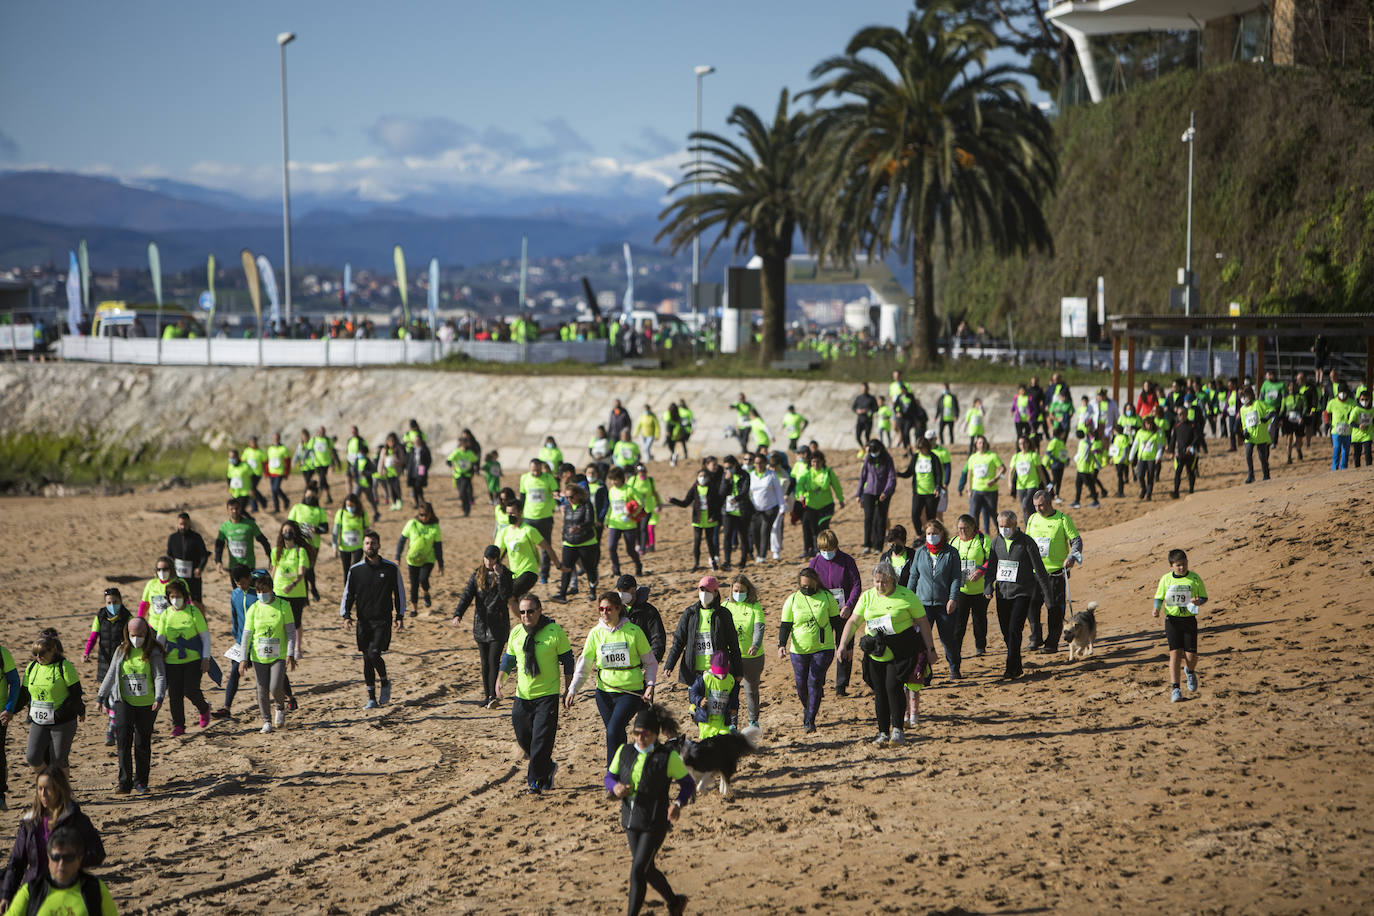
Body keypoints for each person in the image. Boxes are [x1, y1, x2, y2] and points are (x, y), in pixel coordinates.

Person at [604, 705, 693, 916]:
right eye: (636, 733)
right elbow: (610, 777)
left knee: (637, 870)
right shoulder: (624, 751)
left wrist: (678, 804)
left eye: (645, 734)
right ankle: (675, 902)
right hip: (630, 819)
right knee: (646, 869)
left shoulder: (667, 757)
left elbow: (687, 784)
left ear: (654, 734)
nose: (640, 738)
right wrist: (615, 788)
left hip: (655, 822)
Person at [838, 559, 936, 745]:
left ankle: (898, 729)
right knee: (880, 691)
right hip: (876, 651)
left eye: (884, 582)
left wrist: (930, 649)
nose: (880, 585)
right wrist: (843, 644)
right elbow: (853, 622)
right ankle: (883, 732)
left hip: (901, 651)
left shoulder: (906, 596)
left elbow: (923, 621)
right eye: (876, 581)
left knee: (893, 687)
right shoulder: (867, 597)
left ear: (893, 581)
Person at [567, 592, 657, 765]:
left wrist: (650, 685)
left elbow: (650, 662)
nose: (604, 613)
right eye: (601, 609)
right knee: (615, 733)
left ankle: (611, 775)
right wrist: (573, 689)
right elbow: (584, 664)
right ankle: (624, 767)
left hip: (630, 692)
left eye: (608, 609)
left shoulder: (634, 632)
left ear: (618, 609)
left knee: (613, 731)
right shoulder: (595, 633)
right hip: (604, 693)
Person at [497, 595, 574, 793]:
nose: (526, 615)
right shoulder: (516, 633)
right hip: (522, 696)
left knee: (540, 741)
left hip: (547, 696)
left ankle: (535, 781)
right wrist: (500, 681)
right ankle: (547, 767)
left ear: (539, 610)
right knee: (524, 739)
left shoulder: (554, 631)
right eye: (522, 612)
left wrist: (568, 689)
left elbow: (567, 660)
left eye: (530, 611)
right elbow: (508, 659)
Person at [0, 770, 105, 913]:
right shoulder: (30, 823)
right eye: (40, 789)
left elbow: (97, 852)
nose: (43, 794)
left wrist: (70, 862)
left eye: (48, 789)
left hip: (68, 891)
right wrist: (6, 895)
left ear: (60, 789)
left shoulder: (75, 819)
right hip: (35, 891)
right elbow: (17, 862)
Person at [95, 617, 165, 794]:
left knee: (142, 743)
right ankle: (124, 782)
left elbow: (159, 676)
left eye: (140, 634)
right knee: (123, 742)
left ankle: (141, 782)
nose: (136, 638)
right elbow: (111, 674)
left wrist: (159, 696)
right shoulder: (121, 650)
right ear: (128, 634)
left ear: (146, 633)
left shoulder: (153, 651)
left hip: (147, 704)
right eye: (133, 635)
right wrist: (101, 696)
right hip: (123, 701)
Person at [983, 511, 1055, 679]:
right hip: (1002, 593)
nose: (1004, 529)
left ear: (1015, 525)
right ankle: (1017, 664)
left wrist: (1048, 597)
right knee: (1005, 632)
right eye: (1001, 526)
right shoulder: (996, 542)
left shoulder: (1027, 542)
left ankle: (1010, 668)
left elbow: (1040, 570)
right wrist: (988, 587)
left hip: (1022, 592)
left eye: (1007, 526)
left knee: (1015, 629)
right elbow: (992, 567)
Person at [342, 530, 406, 709]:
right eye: (367, 543)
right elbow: (349, 594)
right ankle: (371, 697)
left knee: (374, 653)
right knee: (366, 659)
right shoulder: (355, 570)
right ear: (363, 546)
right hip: (363, 621)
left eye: (373, 543)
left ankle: (385, 681)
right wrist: (346, 615)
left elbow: (399, 593)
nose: (370, 546)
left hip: (383, 620)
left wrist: (400, 615)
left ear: (379, 545)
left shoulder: (391, 568)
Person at [777, 567, 840, 733]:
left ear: (816, 582)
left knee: (814, 681)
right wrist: (781, 645)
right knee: (801, 685)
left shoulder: (827, 597)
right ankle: (808, 706)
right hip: (798, 650)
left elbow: (837, 623)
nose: (805, 588)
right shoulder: (792, 600)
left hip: (823, 648)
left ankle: (810, 719)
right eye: (802, 585)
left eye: (808, 585)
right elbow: (785, 625)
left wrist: (841, 645)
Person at [4, 823, 117, 916]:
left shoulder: (95, 890)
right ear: (48, 857)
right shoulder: (31, 891)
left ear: (79, 858)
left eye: (68, 858)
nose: (61, 863)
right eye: (56, 857)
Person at [239, 571, 299, 733]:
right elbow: (247, 634)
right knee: (261, 688)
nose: (261, 594)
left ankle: (280, 707)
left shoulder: (283, 606)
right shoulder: (254, 609)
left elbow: (291, 632)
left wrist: (290, 654)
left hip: (278, 656)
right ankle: (266, 721)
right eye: (258, 592)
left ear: (271, 589)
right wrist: (243, 658)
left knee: (275, 687)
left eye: (264, 591)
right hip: (259, 656)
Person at [904, 520, 963, 686]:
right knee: (922, 640)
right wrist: (909, 598)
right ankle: (925, 673)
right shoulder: (920, 552)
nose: (932, 537)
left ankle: (954, 667)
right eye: (929, 534)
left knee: (948, 639)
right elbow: (914, 576)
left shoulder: (951, 553)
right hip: (922, 604)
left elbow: (956, 578)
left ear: (942, 533)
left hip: (944, 603)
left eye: (935, 533)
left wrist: (953, 598)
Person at [1024, 489, 1083, 653]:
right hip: (1035, 572)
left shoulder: (1063, 520)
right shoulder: (1032, 519)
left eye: (1041, 505)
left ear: (1049, 503)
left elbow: (1077, 542)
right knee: (1031, 606)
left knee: (1054, 608)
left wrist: (1071, 556)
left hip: (1055, 573)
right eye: (1035, 505)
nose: (1038, 509)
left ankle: (1052, 643)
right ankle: (1035, 638)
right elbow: (1026, 542)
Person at [453, 546, 513, 708]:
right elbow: (467, 595)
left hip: (498, 625)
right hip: (481, 624)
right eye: (486, 558)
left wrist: (500, 577)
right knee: (484, 662)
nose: (488, 561)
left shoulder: (505, 574)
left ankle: (493, 696)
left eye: (492, 559)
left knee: (493, 660)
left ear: (497, 559)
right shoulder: (477, 574)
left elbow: (506, 595)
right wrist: (458, 613)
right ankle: (487, 696)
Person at [151, 578, 211, 737]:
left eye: (177, 596)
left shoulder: (193, 612)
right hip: (171, 660)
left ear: (184, 596)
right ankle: (178, 725)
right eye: (171, 596)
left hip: (193, 659)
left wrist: (206, 658)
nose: (174, 599)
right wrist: (156, 656)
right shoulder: (166, 615)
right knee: (175, 694)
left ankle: (204, 708)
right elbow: (161, 638)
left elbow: (205, 636)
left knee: (190, 689)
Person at [662, 576, 743, 690]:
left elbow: (733, 644)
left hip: (718, 673)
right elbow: (679, 641)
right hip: (694, 673)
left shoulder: (724, 614)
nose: (704, 593)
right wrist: (669, 665)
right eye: (702, 590)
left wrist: (739, 671)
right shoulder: (690, 614)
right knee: (697, 705)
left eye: (708, 590)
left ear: (715, 592)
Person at [18, 634, 83, 774]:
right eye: (35, 653)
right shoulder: (31, 667)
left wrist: (78, 711)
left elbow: (76, 694)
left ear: (52, 650)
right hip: (38, 721)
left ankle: (63, 794)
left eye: (42, 653)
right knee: (33, 757)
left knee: (59, 760)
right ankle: (49, 782)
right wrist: (10, 711)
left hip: (62, 721)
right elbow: (24, 694)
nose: (38, 657)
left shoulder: (65, 667)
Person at [808, 530, 862, 697]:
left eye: (830, 548)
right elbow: (808, 586)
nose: (827, 552)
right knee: (821, 649)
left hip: (843, 613)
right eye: (823, 549)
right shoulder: (815, 563)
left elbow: (856, 585)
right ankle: (819, 683)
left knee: (844, 646)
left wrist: (849, 605)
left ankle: (841, 686)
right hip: (823, 614)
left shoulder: (847, 561)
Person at [1152, 548, 1208, 703]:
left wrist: (1199, 602)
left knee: (1191, 657)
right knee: (1175, 654)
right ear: (1171, 566)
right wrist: (1156, 609)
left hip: (1189, 621)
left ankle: (1190, 671)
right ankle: (1175, 688)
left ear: (1187, 562)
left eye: (1184, 564)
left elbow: (1203, 597)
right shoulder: (1166, 579)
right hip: (1172, 621)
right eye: (1178, 565)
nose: (1181, 568)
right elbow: (1159, 597)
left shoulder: (1195, 579)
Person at [81, 589, 131, 748]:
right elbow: (94, 636)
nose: (112, 605)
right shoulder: (101, 616)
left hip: (121, 660)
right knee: (107, 693)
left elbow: (131, 637)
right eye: (109, 602)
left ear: (121, 601)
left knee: (115, 695)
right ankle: (113, 722)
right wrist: (87, 652)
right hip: (104, 661)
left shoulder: (126, 617)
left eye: (115, 602)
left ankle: (111, 727)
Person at [496, 511, 563, 618]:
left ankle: (528, 623)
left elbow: (547, 547)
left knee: (511, 597)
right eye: (508, 513)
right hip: (514, 574)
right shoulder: (505, 531)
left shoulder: (529, 530)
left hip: (530, 570)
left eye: (513, 513)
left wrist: (558, 565)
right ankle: (534, 620)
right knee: (518, 601)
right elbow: (497, 552)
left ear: (520, 513)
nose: (510, 516)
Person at [211, 567, 256, 720]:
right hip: (242, 642)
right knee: (234, 672)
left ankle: (290, 698)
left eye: (243, 583)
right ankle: (226, 708)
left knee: (270, 672)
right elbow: (235, 617)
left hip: (258, 642)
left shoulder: (258, 594)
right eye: (237, 584)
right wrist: (237, 636)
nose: (240, 586)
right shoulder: (235, 594)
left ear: (249, 578)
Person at [271, 520, 315, 671]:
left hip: (296, 592)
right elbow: (273, 569)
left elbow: (302, 572)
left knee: (296, 621)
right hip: (278, 591)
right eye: (285, 530)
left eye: (290, 530)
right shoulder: (276, 551)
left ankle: (297, 648)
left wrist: (293, 584)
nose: (287, 533)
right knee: (280, 621)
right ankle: (284, 648)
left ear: (295, 533)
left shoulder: (300, 551)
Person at [722, 575, 765, 729]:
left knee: (751, 690)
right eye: (736, 590)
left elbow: (759, 628)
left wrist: (755, 644)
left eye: (742, 590)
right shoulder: (725, 606)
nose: (738, 593)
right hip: (731, 657)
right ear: (731, 590)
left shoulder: (755, 606)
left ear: (748, 591)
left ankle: (753, 721)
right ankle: (732, 721)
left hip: (752, 657)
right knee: (731, 690)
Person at [668, 464, 723, 571]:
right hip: (698, 520)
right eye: (700, 476)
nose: (702, 478)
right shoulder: (694, 488)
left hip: (709, 519)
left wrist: (714, 516)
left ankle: (713, 562)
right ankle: (696, 564)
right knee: (697, 542)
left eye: (704, 476)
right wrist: (673, 500)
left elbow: (718, 505)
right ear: (697, 477)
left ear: (708, 478)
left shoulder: (712, 488)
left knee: (710, 542)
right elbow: (685, 503)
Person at [952, 515, 993, 659]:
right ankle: (956, 649)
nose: (962, 532)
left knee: (979, 619)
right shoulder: (953, 542)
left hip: (979, 589)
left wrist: (981, 571)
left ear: (973, 527)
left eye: (965, 528)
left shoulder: (983, 540)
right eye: (959, 529)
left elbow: (992, 559)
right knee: (959, 622)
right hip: (960, 590)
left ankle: (980, 646)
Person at [795, 451, 844, 560]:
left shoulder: (828, 472)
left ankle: (826, 548)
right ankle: (815, 550)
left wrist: (841, 499)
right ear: (810, 462)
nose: (816, 463)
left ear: (822, 461)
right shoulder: (807, 474)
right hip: (811, 506)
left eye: (818, 461)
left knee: (823, 526)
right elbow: (799, 486)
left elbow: (837, 486)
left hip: (826, 505)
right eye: (813, 461)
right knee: (813, 528)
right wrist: (800, 495)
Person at [396, 501, 443, 612]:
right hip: (412, 560)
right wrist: (397, 556)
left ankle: (426, 593)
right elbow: (402, 541)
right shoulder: (412, 524)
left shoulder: (435, 527)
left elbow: (438, 547)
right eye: (421, 515)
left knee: (423, 578)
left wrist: (441, 564)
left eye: (426, 515)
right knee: (414, 585)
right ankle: (414, 609)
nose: (423, 517)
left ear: (431, 514)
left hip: (428, 559)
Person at [519, 458, 559, 584]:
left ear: (541, 468)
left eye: (537, 470)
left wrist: (555, 506)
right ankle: (528, 571)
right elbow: (522, 497)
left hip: (545, 518)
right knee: (527, 546)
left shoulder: (548, 478)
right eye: (533, 470)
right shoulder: (524, 478)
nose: (535, 473)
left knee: (546, 547)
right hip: (528, 518)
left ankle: (544, 575)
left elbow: (556, 493)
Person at [287, 486, 328, 602]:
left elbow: (325, 528)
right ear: (304, 495)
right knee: (301, 568)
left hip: (313, 545)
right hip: (298, 544)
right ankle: (305, 595)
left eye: (312, 496)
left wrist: (317, 529)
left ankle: (313, 589)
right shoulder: (297, 508)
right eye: (308, 496)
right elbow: (289, 523)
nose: (310, 498)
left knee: (309, 568)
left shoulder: (319, 511)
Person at [897, 436, 944, 536]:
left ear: (927, 447)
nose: (920, 450)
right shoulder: (915, 457)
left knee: (930, 517)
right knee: (914, 515)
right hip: (918, 492)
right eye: (918, 448)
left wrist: (938, 487)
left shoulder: (933, 457)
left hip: (931, 493)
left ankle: (931, 535)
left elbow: (939, 474)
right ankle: (920, 534)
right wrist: (899, 474)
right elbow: (909, 472)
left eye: (921, 448)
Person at [213, 499, 271, 578]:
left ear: (240, 509)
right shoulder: (224, 527)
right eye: (231, 509)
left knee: (250, 590)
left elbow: (263, 541)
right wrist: (218, 561)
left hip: (249, 566)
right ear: (227, 510)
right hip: (233, 567)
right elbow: (219, 545)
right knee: (236, 590)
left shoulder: (250, 525)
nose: (234, 511)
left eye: (236, 508)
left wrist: (270, 557)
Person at [856, 440, 896, 555]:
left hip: (883, 493)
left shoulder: (888, 459)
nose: (873, 453)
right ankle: (867, 544)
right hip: (869, 492)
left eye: (875, 451)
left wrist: (886, 491)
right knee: (868, 518)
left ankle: (878, 546)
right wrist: (859, 494)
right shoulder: (868, 459)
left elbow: (891, 477)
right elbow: (863, 476)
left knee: (881, 518)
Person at [604, 467, 644, 579]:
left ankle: (638, 565)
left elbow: (641, 503)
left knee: (630, 550)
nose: (613, 482)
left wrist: (632, 514)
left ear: (622, 479)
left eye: (615, 479)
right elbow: (611, 507)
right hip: (614, 523)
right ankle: (616, 570)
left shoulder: (629, 490)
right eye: (611, 480)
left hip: (629, 524)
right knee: (611, 547)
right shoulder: (611, 490)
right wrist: (607, 520)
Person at [616, 575, 667, 663]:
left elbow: (658, 639)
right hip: (620, 665)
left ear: (634, 589)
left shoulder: (649, 611)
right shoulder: (615, 611)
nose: (622, 594)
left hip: (641, 665)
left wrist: (650, 663)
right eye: (620, 590)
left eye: (625, 590)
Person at [961, 435, 1004, 535]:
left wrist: (995, 479)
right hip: (976, 489)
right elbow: (969, 474)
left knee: (993, 513)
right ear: (976, 445)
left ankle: (1000, 533)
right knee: (974, 514)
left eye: (984, 442)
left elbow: (1002, 469)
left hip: (990, 490)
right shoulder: (972, 457)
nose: (982, 444)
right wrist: (968, 488)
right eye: (980, 443)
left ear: (987, 444)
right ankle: (975, 534)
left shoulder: (992, 456)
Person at [746, 453, 784, 564]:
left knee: (765, 529)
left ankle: (762, 556)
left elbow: (778, 491)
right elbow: (749, 492)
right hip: (755, 509)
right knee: (755, 531)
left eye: (760, 463)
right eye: (756, 463)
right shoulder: (751, 475)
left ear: (765, 463)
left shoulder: (771, 475)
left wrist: (782, 507)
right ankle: (758, 553)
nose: (758, 465)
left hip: (770, 507)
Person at [165, 512, 209, 605]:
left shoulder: (196, 538)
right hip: (178, 576)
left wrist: (200, 568)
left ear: (189, 524)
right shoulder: (173, 538)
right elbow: (169, 556)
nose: (183, 527)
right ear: (177, 524)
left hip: (193, 577)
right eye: (181, 524)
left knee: (196, 602)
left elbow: (204, 555)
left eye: (185, 524)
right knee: (179, 599)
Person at [1238, 386, 1274, 483]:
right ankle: (1251, 475)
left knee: (1262, 456)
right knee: (1248, 454)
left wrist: (1266, 418)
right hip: (1250, 436)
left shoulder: (1258, 403)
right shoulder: (1242, 409)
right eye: (1241, 396)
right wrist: (1245, 432)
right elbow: (1244, 423)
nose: (1243, 398)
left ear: (1250, 395)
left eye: (1244, 395)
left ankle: (1266, 474)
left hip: (1260, 435)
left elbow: (1271, 411)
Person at [1008, 436, 1047, 521]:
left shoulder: (1033, 455)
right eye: (1020, 444)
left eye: (1024, 443)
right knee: (1027, 509)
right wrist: (1010, 483)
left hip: (1032, 484)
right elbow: (1011, 471)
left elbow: (1040, 471)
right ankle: (1029, 529)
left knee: (1025, 505)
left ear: (1028, 443)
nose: (1022, 445)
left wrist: (1045, 483)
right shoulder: (1016, 456)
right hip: (1020, 486)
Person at [332, 493, 369, 578]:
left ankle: (356, 589)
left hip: (358, 547)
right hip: (344, 548)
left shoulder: (362, 514)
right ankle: (347, 590)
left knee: (355, 569)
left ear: (356, 504)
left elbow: (366, 530)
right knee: (346, 571)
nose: (350, 507)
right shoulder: (340, 513)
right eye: (347, 505)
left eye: (352, 505)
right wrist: (334, 546)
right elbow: (335, 530)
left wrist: (367, 545)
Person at [1129, 417, 1166, 500]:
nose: (1148, 425)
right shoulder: (1140, 433)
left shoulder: (1156, 434)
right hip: (1141, 458)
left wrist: (1158, 456)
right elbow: (1135, 445)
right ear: (1144, 424)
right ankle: (1143, 489)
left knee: (1150, 476)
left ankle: (1149, 494)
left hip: (1151, 459)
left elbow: (1159, 447)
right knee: (1140, 475)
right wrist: (1131, 456)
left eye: (1150, 424)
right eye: (1146, 424)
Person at [446, 429, 481, 517]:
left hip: (467, 475)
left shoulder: (470, 452)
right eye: (463, 442)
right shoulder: (457, 452)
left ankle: (467, 509)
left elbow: (476, 460)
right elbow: (448, 460)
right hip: (458, 474)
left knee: (464, 491)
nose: (464, 444)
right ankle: (465, 506)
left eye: (466, 442)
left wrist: (476, 467)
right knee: (461, 494)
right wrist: (452, 465)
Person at [1325, 384, 1354, 470]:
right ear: (1338, 393)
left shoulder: (1352, 402)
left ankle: (1343, 467)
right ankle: (1334, 467)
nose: (1342, 394)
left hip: (1347, 431)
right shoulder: (1332, 402)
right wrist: (1327, 422)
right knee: (1337, 448)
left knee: (1346, 450)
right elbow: (1326, 412)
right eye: (1341, 392)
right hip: (1336, 431)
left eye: (1344, 392)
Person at [265, 432, 292, 512]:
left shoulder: (284, 449)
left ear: (279, 439)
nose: (275, 439)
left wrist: (286, 473)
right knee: (274, 490)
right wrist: (266, 472)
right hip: (271, 472)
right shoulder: (270, 449)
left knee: (275, 489)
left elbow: (288, 461)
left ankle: (285, 500)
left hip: (280, 472)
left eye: (277, 438)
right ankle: (277, 508)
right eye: (274, 438)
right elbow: (267, 461)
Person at [851, 383, 878, 452]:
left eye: (865, 388)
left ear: (868, 389)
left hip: (868, 420)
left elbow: (876, 408)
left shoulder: (871, 398)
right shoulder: (859, 398)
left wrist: (868, 411)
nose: (863, 390)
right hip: (860, 420)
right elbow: (853, 407)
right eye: (862, 388)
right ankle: (863, 448)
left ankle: (868, 450)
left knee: (867, 436)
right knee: (857, 437)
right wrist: (858, 411)